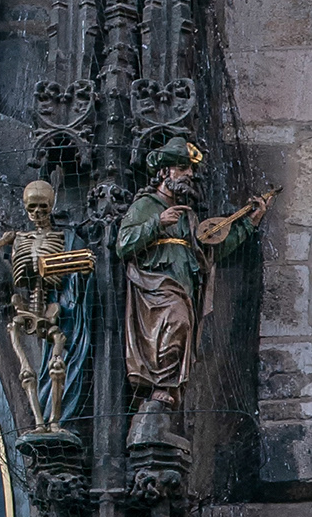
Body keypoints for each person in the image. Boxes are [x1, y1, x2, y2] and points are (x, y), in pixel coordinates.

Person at [116, 137, 272, 416]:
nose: (189, 174)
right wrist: (158, 222)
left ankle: (169, 387)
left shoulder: (188, 216)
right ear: (164, 173)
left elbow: (212, 248)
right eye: (182, 168)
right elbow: (123, 243)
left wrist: (250, 222)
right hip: (155, 286)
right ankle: (158, 385)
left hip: (185, 286)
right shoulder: (147, 205)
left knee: (182, 327)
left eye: (189, 169)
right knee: (175, 322)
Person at [0, 181, 94, 429]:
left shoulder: (65, 238)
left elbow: (83, 266)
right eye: (32, 208)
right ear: (25, 209)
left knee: (56, 363)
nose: (37, 214)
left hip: (54, 308)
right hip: (24, 305)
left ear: (51, 207)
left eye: (43, 208)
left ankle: (54, 421)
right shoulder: (17, 237)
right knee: (27, 367)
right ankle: (38, 421)